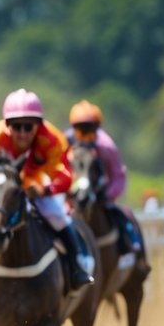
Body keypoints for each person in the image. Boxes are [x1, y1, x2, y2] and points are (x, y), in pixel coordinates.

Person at [0, 88, 93, 288]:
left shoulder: (53, 140)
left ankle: (77, 266)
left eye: (29, 127)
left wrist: (45, 190)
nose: (22, 133)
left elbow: (65, 176)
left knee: (58, 217)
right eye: (16, 126)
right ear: (6, 125)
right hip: (3, 190)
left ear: (39, 125)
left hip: (36, 184)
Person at [66, 100, 139, 254]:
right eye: (80, 130)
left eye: (90, 130)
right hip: (73, 195)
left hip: (100, 192)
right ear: (73, 129)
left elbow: (119, 176)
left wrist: (107, 195)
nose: (85, 136)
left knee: (121, 215)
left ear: (97, 129)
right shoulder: (65, 142)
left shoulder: (106, 146)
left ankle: (132, 244)